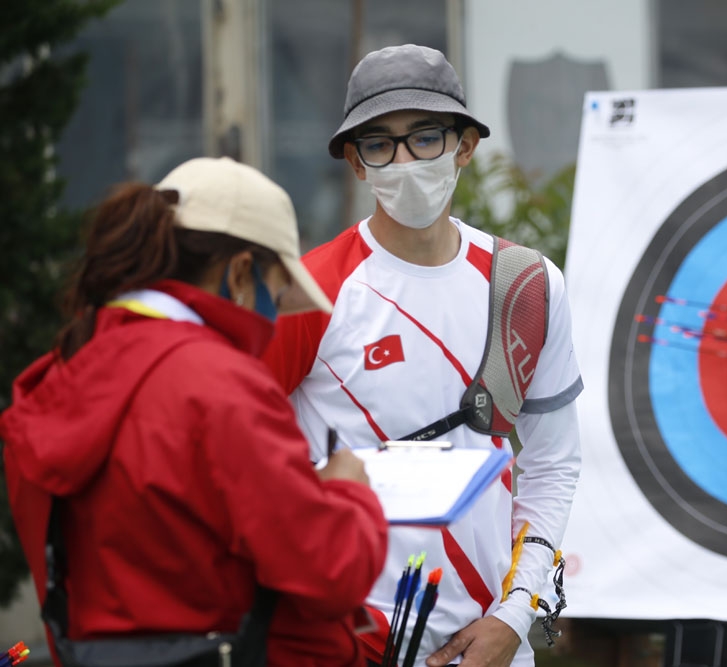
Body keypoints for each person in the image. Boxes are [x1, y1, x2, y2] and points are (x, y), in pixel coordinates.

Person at [262, 44, 583, 667]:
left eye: (426, 137)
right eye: (379, 144)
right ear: (356, 162)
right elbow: (245, 464)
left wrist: (515, 619)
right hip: (349, 641)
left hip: (494, 643)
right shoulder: (308, 292)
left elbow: (553, 464)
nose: (404, 161)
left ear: (464, 146)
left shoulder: (526, 284)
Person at [0, 157, 389, 667]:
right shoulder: (220, 384)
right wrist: (347, 491)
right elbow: (330, 570)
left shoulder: (59, 374)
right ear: (241, 272)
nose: (275, 317)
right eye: (278, 292)